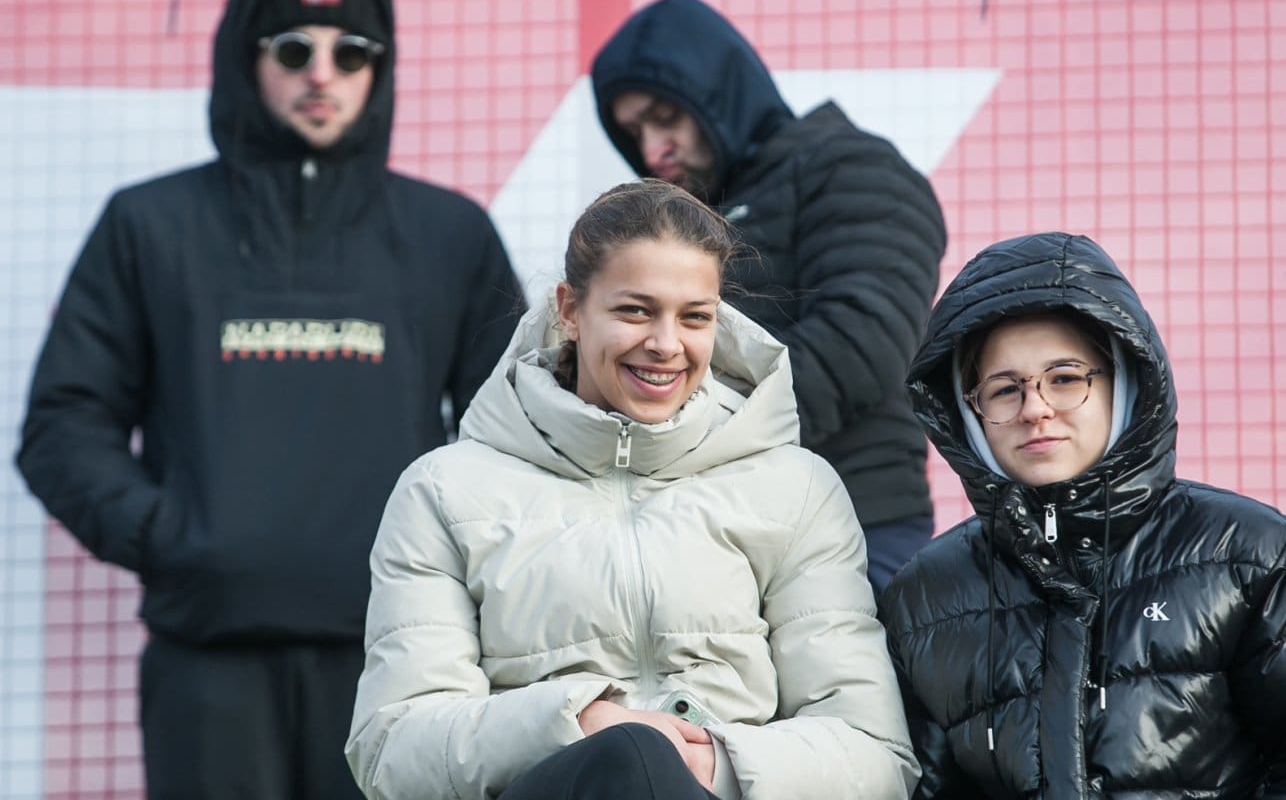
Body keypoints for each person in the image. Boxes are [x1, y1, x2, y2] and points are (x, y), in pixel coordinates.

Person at [16, 0, 522, 797]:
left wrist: (452, 573)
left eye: (350, 51)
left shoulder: (450, 236)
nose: (322, 74)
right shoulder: (150, 225)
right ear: (245, 60)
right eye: (293, 48)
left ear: (380, 67)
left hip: (396, 664)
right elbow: (63, 426)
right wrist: (175, 538)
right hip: (207, 663)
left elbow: (516, 436)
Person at [345, 179, 919, 800]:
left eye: (694, 317)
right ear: (569, 310)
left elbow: (875, 754)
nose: (666, 345)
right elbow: (393, 751)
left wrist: (710, 763)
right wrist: (581, 723)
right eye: (635, 311)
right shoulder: (442, 491)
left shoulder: (798, 488)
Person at [878, 231, 1286, 798]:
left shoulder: (1252, 555)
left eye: (1065, 378)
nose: (1035, 408)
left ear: (1123, 383)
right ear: (968, 413)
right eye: (1003, 390)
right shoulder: (924, 597)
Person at [590, 0, 947, 595]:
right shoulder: (675, 222)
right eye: (635, 131)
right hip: (712, 530)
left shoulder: (852, 166)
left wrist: (684, 432)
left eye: (666, 116)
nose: (652, 149)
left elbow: (863, 346)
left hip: (852, 521)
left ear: (719, 91)